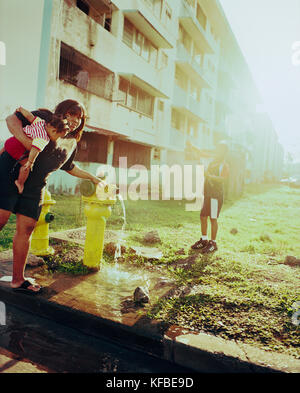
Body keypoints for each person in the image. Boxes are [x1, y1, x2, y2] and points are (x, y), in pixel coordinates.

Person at [0, 99, 104, 294]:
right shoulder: (44, 118)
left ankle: (17, 280)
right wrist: (26, 141)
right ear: (62, 112)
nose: (74, 120)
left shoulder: (71, 142)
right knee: (0, 220)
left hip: (36, 185)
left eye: (79, 118)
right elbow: (11, 119)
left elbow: (69, 166)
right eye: (71, 114)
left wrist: (93, 177)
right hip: (11, 172)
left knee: (28, 227)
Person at [1, 106, 69, 194]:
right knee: (25, 168)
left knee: (4, 150)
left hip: (11, 141)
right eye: (58, 137)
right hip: (18, 148)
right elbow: (34, 150)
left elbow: (29, 116)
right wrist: (30, 162)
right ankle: (20, 183)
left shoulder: (40, 122)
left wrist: (21, 109)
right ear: (54, 131)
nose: (57, 139)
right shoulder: (44, 139)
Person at [191, 141, 230, 254]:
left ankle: (213, 243)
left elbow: (222, 179)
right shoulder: (213, 161)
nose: (216, 151)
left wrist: (209, 176)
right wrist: (193, 147)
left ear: (223, 152)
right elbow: (202, 153)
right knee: (203, 216)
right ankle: (204, 240)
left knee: (213, 218)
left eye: (219, 149)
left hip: (216, 196)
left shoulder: (224, 165)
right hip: (208, 194)